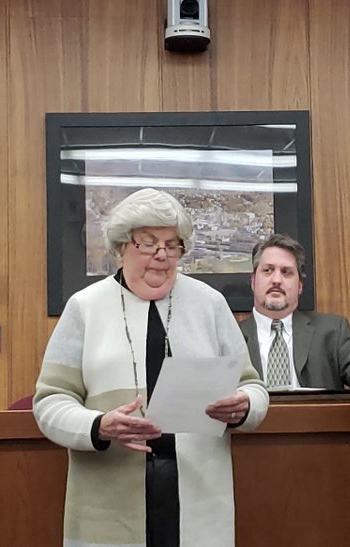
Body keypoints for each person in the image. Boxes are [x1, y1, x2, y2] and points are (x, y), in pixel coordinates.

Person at [34, 188, 269, 547]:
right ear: (121, 247)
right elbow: (50, 403)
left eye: (172, 245)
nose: (162, 255)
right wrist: (98, 425)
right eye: (148, 243)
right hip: (109, 497)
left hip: (197, 495)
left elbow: (253, 387)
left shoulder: (210, 305)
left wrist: (244, 406)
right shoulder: (85, 308)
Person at [238, 233, 350, 390]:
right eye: (268, 270)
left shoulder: (332, 332)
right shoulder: (231, 337)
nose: (276, 280)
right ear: (253, 281)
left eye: (286, 272)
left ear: (299, 286)